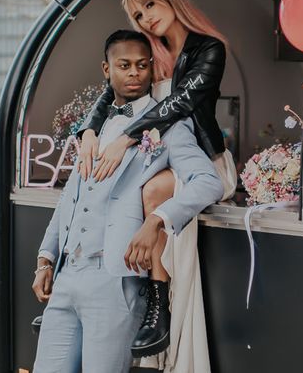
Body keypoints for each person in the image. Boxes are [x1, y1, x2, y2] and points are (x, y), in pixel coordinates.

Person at [31, 30, 223, 373]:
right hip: (66, 277)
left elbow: (209, 182)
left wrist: (157, 219)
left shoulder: (168, 125)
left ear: (151, 69)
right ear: (107, 69)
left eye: (142, 65)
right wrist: (45, 258)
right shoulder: (92, 128)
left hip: (114, 282)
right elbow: (70, 198)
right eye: (124, 65)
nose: (135, 72)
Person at [76, 0, 237, 358]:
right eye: (137, 14)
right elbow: (107, 95)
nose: (145, 18)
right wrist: (87, 132)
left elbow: (180, 103)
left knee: (151, 190)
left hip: (200, 162)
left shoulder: (208, 49)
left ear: (168, 0)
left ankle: (157, 304)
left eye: (149, 5)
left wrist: (125, 137)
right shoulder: (147, 54)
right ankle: (92, 291)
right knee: (114, 189)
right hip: (157, 157)